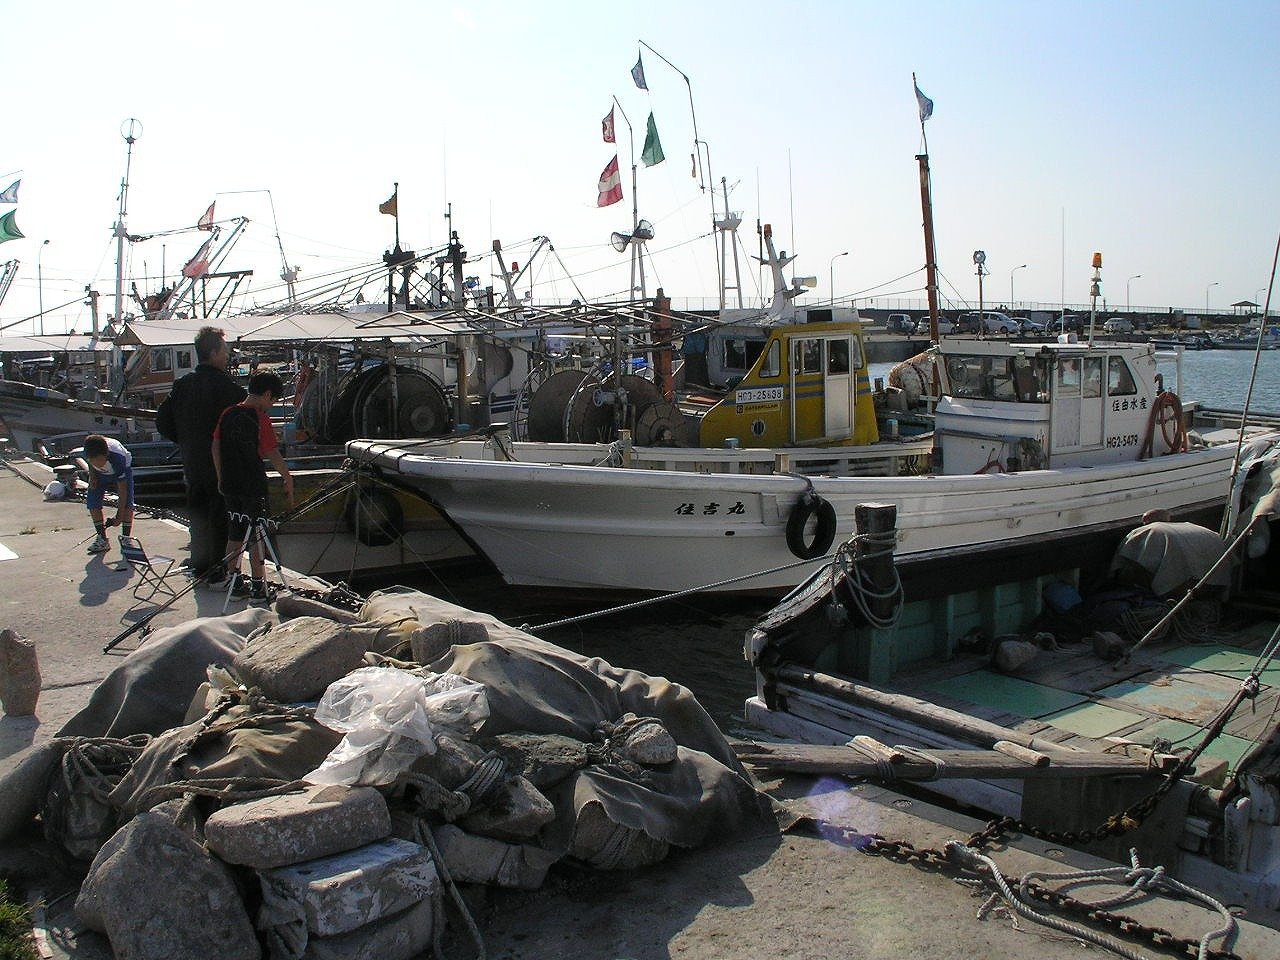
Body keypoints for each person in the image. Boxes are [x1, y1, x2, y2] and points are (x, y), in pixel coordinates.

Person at [156, 326, 246, 583]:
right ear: (214, 352)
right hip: (221, 466)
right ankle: (217, 571)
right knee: (220, 518)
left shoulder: (182, 385)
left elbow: (163, 422)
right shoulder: (228, 389)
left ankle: (200, 565)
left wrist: (185, 440)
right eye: (225, 351)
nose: (227, 356)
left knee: (198, 517)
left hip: (193, 462)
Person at [212, 371, 294, 601]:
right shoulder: (260, 418)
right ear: (267, 394)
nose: (272, 405)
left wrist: (220, 477)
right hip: (253, 485)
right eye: (274, 400)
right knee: (257, 535)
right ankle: (259, 586)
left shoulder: (227, 413)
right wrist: (288, 477)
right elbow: (271, 452)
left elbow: (215, 446)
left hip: (230, 484)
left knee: (235, 534)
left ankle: (235, 584)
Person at [82, 434, 134, 554]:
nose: (97, 463)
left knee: (127, 505)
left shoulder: (117, 459)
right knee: (92, 503)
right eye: (93, 460)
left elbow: (122, 490)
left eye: (99, 460)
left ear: (106, 455)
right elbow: (90, 463)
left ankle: (126, 538)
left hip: (121, 473)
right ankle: (102, 539)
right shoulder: (88, 451)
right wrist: (93, 476)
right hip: (99, 475)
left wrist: (118, 517)